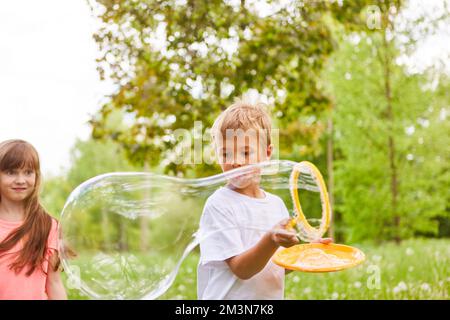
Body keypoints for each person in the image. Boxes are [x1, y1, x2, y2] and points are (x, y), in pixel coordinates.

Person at [197, 100, 332, 300]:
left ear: (267, 153)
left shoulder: (276, 205)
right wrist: (271, 240)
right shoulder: (219, 204)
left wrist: (306, 254)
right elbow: (242, 269)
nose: (236, 161)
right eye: (226, 153)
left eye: (245, 152)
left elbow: (277, 267)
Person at [0, 139, 67, 299]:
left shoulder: (48, 225)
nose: (21, 180)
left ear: (37, 176)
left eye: (28, 172)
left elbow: (54, 283)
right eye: (11, 172)